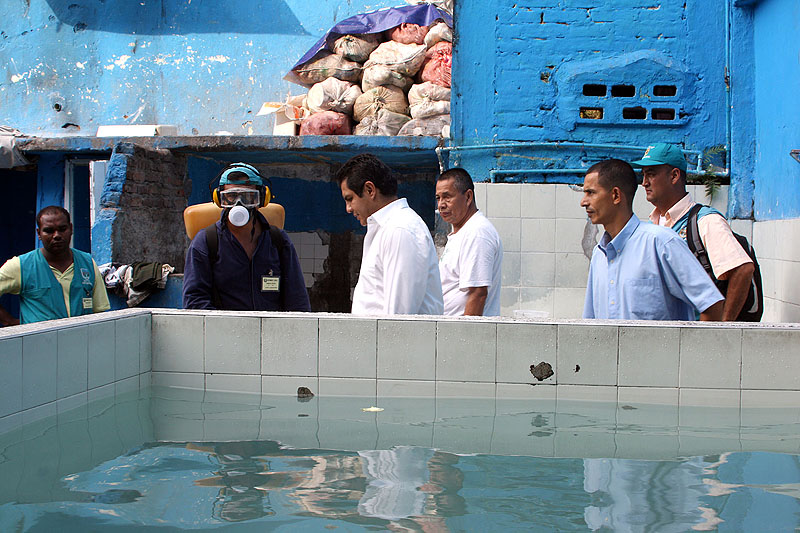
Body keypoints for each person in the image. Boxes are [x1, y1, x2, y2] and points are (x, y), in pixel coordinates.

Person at [580, 159, 724, 321]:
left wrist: (693, 339)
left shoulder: (661, 243)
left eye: (591, 193)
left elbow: (711, 304)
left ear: (615, 195)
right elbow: (591, 320)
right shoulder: (599, 254)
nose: (583, 202)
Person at [631, 143, 755, 321]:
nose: (644, 183)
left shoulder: (705, 221)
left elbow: (742, 269)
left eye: (651, 174)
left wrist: (721, 328)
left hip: (696, 333)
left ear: (674, 176)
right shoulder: (654, 224)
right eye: (643, 175)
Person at [182, 163, 310, 311]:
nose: (239, 204)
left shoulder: (278, 240)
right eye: (231, 196)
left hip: (270, 325)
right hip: (223, 325)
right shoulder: (206, 242)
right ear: (219, 200)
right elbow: (194, 301)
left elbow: (297, 299)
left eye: (248, 197)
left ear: (262, 198)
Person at [336, 153, 443, 315]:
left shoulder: (400, 230)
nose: (348, 208)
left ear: (370, 190)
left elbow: (398, 317)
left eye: (350, 199)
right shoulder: (386, 228)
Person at [0, 206, 110, 325]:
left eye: (62, 229)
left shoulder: (87, 263)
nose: (57, 235)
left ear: (71, 229)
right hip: (40, 337)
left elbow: (100, 312)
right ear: (39, 233)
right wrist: (9, 322)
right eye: (49, 231)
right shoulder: (21, 266)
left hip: (80, 336)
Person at [435, 168, 503, 316]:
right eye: (438, 198)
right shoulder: (463, 232)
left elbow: (478, 294)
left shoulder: (477, 233)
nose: (441, 205)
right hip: (447, 327)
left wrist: (464, 331)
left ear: (468, 197)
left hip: (460, 329)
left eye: (447, 197)